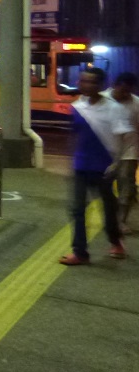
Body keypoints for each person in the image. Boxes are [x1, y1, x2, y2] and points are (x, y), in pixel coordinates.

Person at [59, 67, 129, 265]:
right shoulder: (77, 107)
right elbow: (74, 136)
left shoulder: (114, 108)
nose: (85, 85)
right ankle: (80, 252)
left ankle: (115, 241)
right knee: (77, 209)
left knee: (108, 208)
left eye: (91, 82)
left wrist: (118, 163)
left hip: (104, 168)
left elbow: (123, 137)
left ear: (100, 85)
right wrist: (70, 161)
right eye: (83, 81)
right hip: (81, 166)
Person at [105, 71, 139, 234]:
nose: (125, 95)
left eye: (129, 91)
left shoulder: (136, 103)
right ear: (115, 85)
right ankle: (111, 215)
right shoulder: (102, 100)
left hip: (129, 152)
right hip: (106, 152)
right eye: (123, 90)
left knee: (127, 187)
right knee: (103, 186)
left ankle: (121, 221)